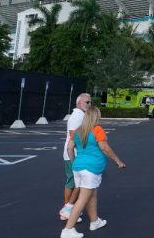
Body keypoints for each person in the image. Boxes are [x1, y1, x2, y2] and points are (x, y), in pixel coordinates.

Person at [61, 106, 126, 238]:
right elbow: (104, 147)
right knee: (83, 198)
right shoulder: (97, 130)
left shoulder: (78, 131)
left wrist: (74, 162)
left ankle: (94, 221)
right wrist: (118, 160)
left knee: (92, 194)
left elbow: (69, 148)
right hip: (91, 169)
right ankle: (68, 230)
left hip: (78, 168)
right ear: (96, 117)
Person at [59, 93, 91, 222]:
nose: (89, 104)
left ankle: (71, 209)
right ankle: (67, 211)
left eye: (90, 102)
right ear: (79, 103)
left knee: (77, 182)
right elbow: (74, 136)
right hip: (73, 155)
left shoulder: (81, 115)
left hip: (77, 154)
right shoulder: (76, 116)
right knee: (73, 182)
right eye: (86, 102)